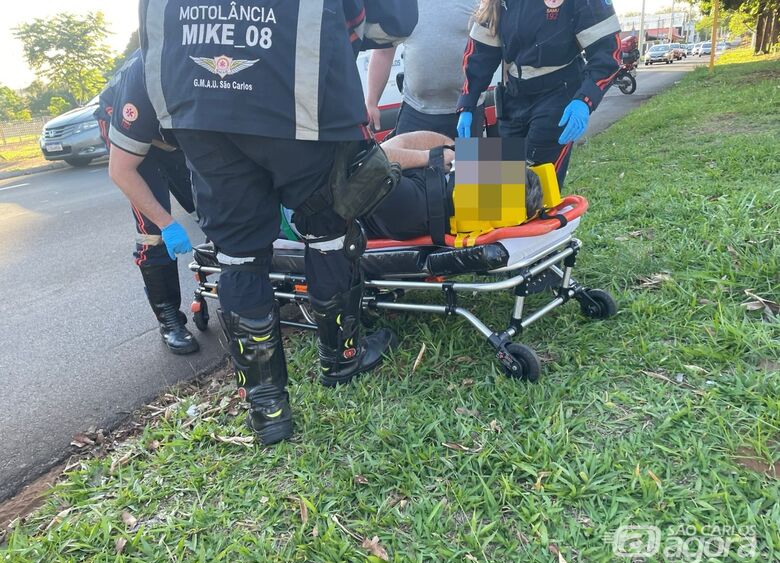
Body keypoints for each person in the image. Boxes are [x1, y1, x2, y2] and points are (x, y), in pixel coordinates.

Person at [139, 0, 418, 445]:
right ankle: (342, 358)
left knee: (238, 256)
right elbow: (392, 23)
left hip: (200, 112)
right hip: (298, 106)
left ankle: (267, 408)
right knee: (327, 233)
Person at [96, 51, 199, 355]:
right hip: (131, 131)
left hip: (171, 132)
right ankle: (169, 319)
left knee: (208, 206)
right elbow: (121, 171)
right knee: (153, 229)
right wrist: (168, 224)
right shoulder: (143, 79)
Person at [456, 0, 621, 189]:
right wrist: (467, 104)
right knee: (502, 191)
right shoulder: (497, 3)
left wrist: (585, 99)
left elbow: (608, 53)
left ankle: (542, 213)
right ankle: (501, 214)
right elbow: (481, 55)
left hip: (559, 96)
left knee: (536, 187)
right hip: (514, 97)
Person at [282, 131, 543, 243]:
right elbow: (421, 141)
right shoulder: (444, 189)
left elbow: (373, 161)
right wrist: (451, 151)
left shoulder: (414, 206)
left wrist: (430, 156)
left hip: (296, 215)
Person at [365, 0, 483, 139]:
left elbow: (492, 48)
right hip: (416, 112)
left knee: (470, 161)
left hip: (466, 111)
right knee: (409, 160)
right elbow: (383, 53)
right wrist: (371, 103)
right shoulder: (403, 5)